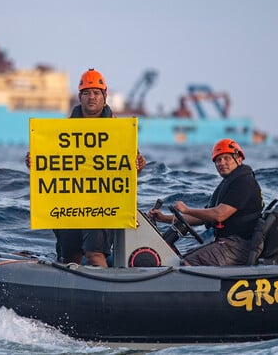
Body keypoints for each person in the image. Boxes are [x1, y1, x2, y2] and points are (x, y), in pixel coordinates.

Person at [26, 68, 146, 267]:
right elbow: (50, 166)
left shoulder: (120, 131)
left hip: (103, 205)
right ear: (79, 96)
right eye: (87, 93)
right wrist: (34, 163)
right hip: (69, 205)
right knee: (70, 257)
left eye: (97, 93)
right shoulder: (63, 130)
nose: (92, 97)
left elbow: (130, 169)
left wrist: (139, 165)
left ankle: (108, 292)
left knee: (94, 254)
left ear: (105, 96)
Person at [148, 138, 263, 266]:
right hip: (230, 243)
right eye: (218, 160)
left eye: (227, 158)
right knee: (179, 258)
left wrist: (187, 209)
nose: (222, 163)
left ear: (239, 159)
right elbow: (202, 218)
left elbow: (219, 215)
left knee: (186, 264)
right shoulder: (229, 183)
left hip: (240, 246)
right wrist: (164, 218)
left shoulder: (244, 183)